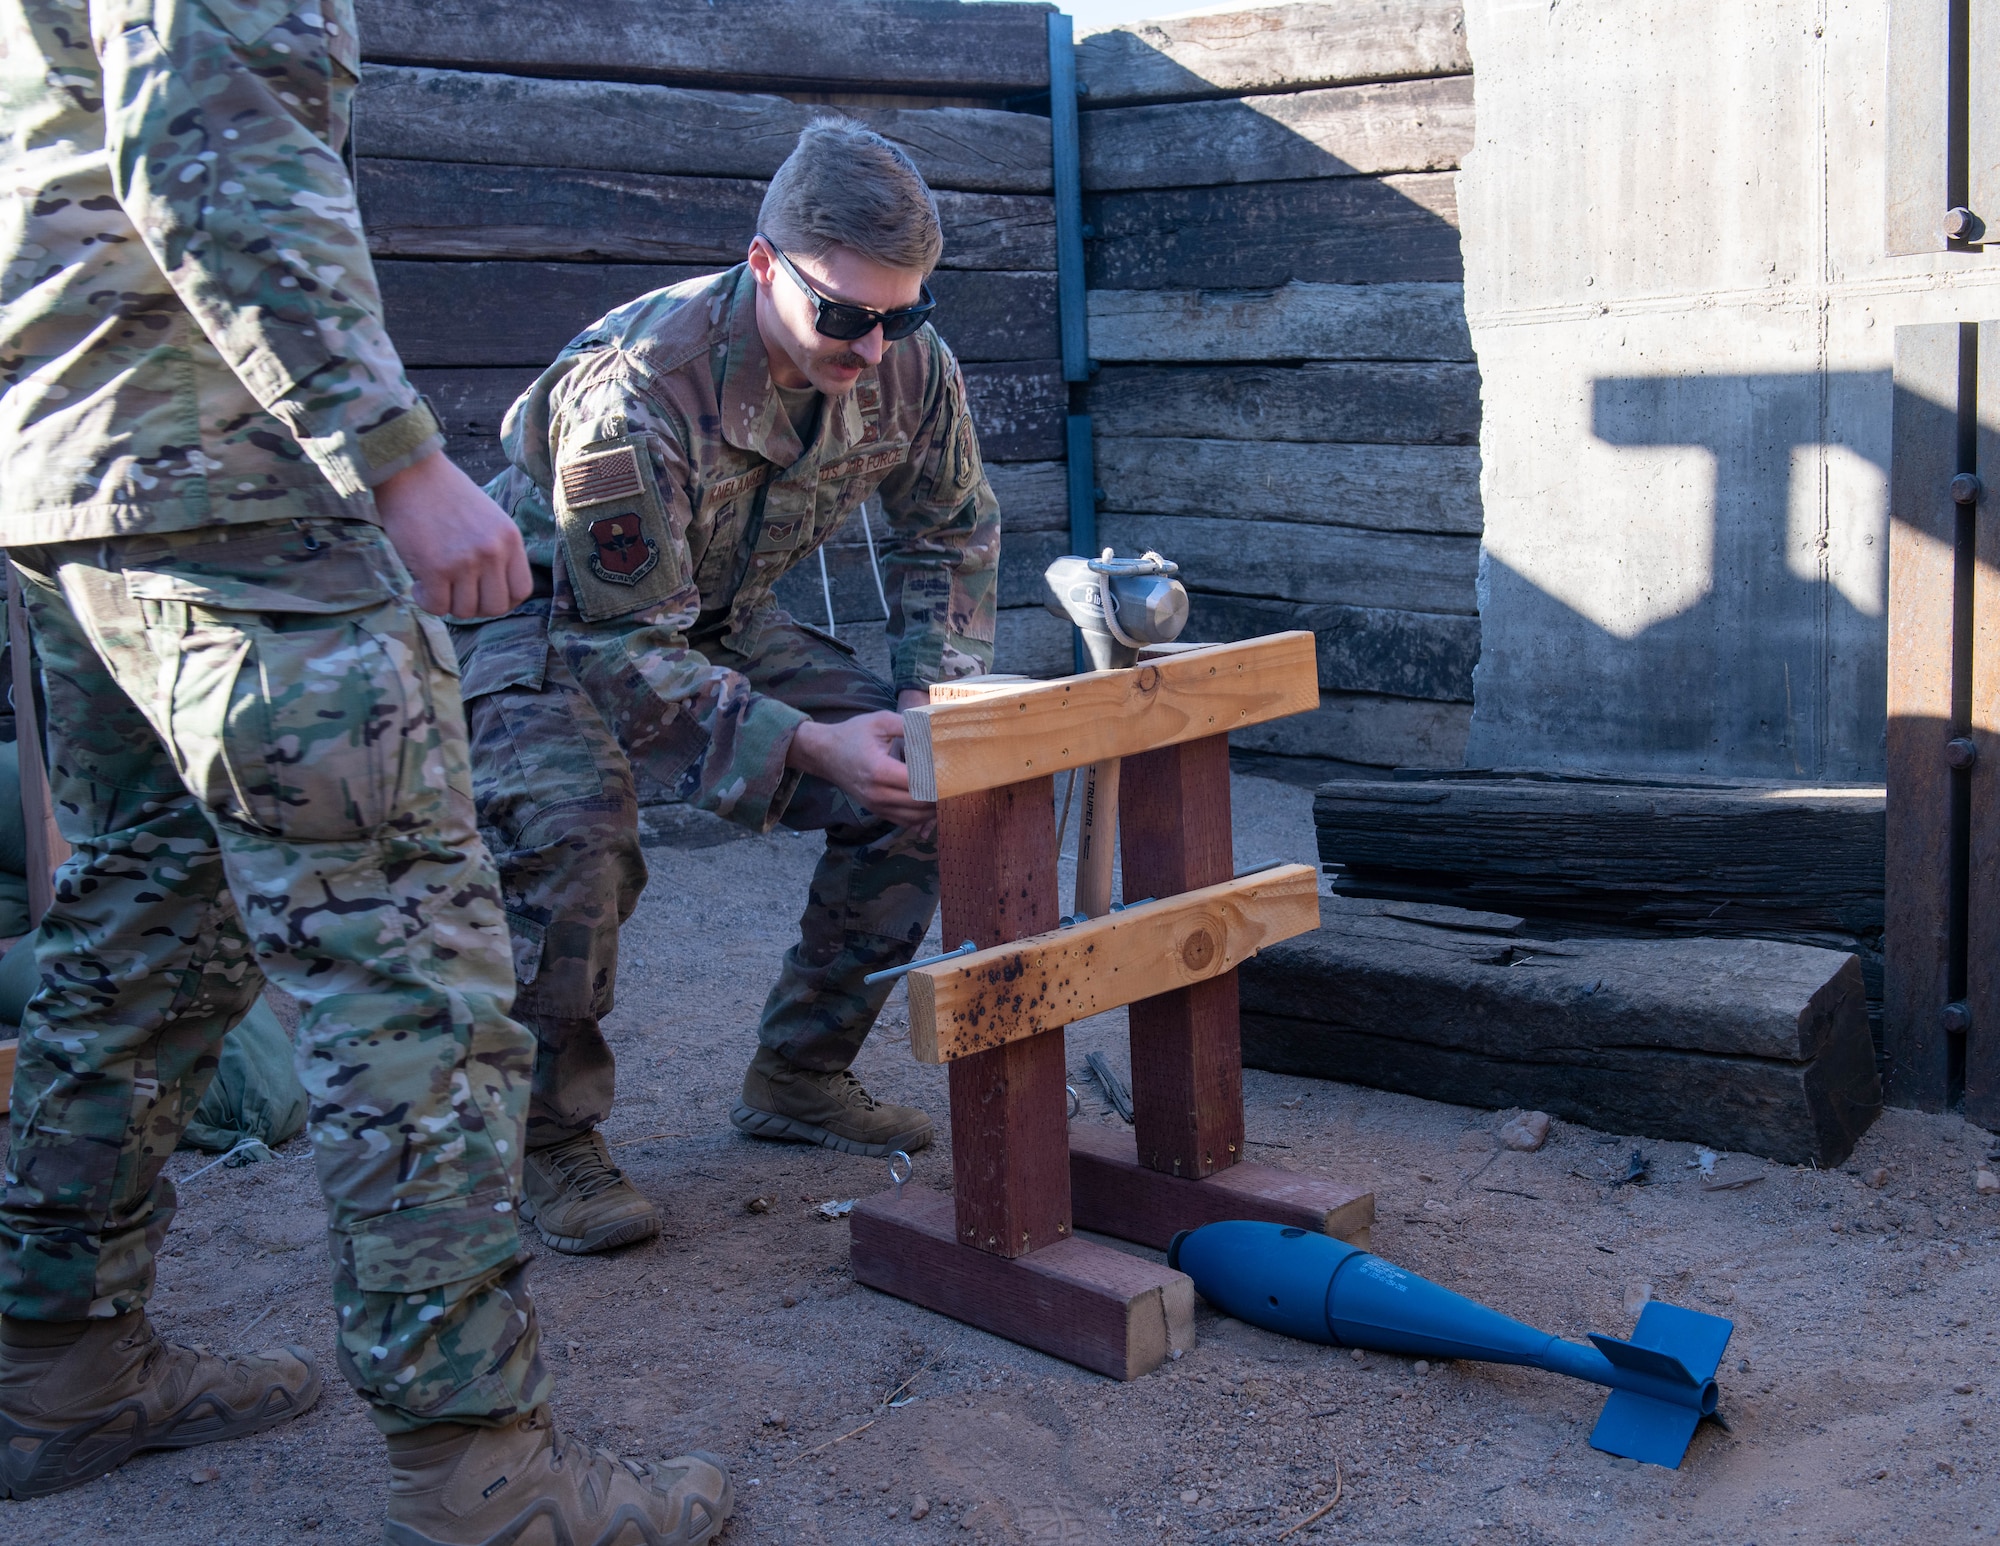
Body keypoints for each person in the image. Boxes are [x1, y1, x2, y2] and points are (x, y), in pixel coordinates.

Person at [0, 4, 730, 1540]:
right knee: (408, 961)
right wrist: (393, 452)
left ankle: (59, 1370)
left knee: (141, 924)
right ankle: (484, 1473)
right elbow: (210, 137)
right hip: (238, 481)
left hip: (78, 471)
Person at [455, 119, 998, 1255]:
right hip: (549, 625)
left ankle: (798, 1073)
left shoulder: (907, 361)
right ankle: (545, 1141)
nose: (873, 344)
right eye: (843, 316)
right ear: (765, 265)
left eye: (904, 313)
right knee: (576, 836)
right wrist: (807, 744)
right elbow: (618, 650)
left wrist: (923, 698)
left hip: (711, 617)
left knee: (929, 781)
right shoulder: (639, 391)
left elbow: (948, 533)